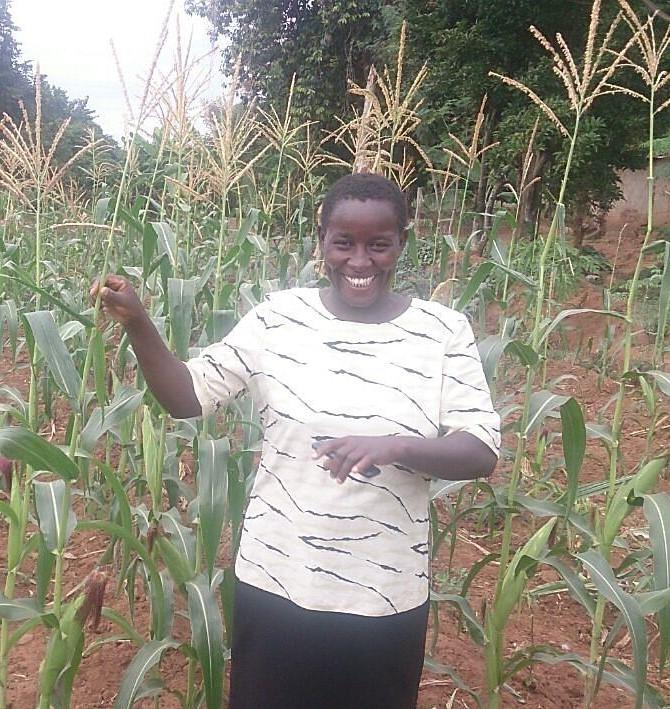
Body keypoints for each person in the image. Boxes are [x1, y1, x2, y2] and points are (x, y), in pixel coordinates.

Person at [91, 173, 500, 709]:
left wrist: (397, 445)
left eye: (378, 244)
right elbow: (187, 397)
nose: (359, 261)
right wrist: (140, 323)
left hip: (385, 594)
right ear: (321, 242)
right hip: (277, 581)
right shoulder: (277, 319)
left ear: (403, 243)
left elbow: (481, 449)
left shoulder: (442, 331)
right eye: (343, 243)